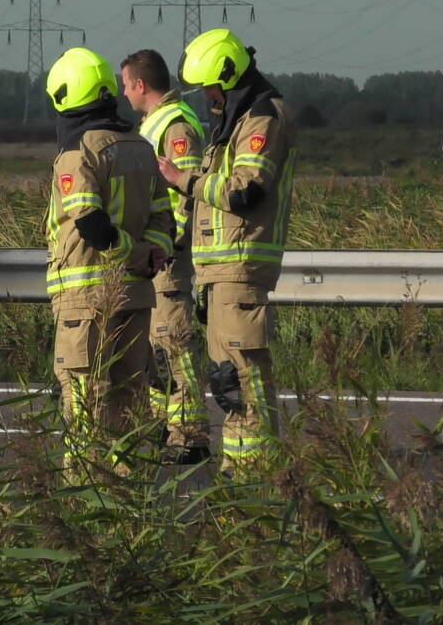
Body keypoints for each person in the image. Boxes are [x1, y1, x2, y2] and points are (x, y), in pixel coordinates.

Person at [157, 29, 297, 473]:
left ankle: (252, 474)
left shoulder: (262, 117)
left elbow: (245, 192)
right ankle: (240, 471)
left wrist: (184, 181)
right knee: (226, 378)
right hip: (221, 270)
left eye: (211, 89)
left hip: (241, 265)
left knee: (241, 375)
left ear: (228, 75)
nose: (208, 98)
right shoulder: (234, 121)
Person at [45, 47, 174, 474]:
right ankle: (130, 490)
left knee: (85, 399)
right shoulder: (140, 146)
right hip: (135, 297)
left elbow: (92, 225)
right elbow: (163, 218)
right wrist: (148, 256)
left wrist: (133, 255)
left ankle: (86, 493)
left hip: (87, 298)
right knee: (130, 398)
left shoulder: (79, 151)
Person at [120, 49, 210, 465]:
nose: (123, 93)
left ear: (140, 85)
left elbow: (184, 194)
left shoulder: (175, 126)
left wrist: (165, 245)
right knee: (157, 347)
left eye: (126, 85)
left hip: (168, 257)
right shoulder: (154, 124)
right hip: (156, 256)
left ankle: (190, 435)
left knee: (175, 343)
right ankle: (164, 426)